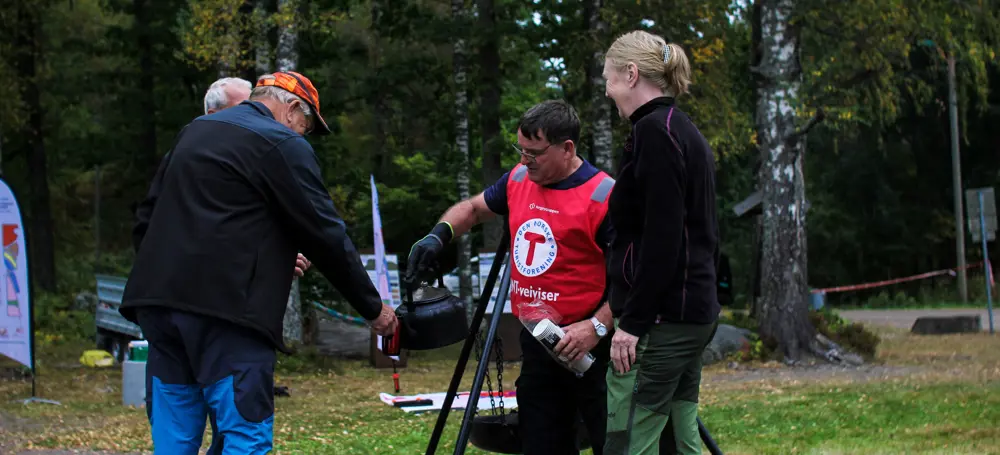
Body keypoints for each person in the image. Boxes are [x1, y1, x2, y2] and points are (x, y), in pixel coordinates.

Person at [120, 71, 398, 454]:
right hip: (228, 316)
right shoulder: (281, 142)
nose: (304, 134)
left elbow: (148, 221)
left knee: (173, 438)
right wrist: (373, 309)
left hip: (160, 309)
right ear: (292, 108)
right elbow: (325, 235)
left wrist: (269, 258)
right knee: (244, 434)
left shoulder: (195, 131)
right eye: (307, 125)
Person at [404, 100, 615, 455]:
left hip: (594, 347)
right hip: (539, 341)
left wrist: (596, 326)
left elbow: (634, 278)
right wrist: (439, 234)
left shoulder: (604, 196)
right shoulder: (519, 179)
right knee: (542, 443)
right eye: (521, 150)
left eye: (534, 153)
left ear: (567, 148)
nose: (523, 160)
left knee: (611, 443)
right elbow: (472, 209)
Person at [600, 31, 721, 455]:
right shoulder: (681, 129)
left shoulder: (655, 133)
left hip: (662, 321)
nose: (609, 92)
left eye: (610, 80)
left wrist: (632, 323)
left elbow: (663, 239)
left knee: (628, 441)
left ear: (631, 75)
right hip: (694, 312)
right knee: (680, 438)